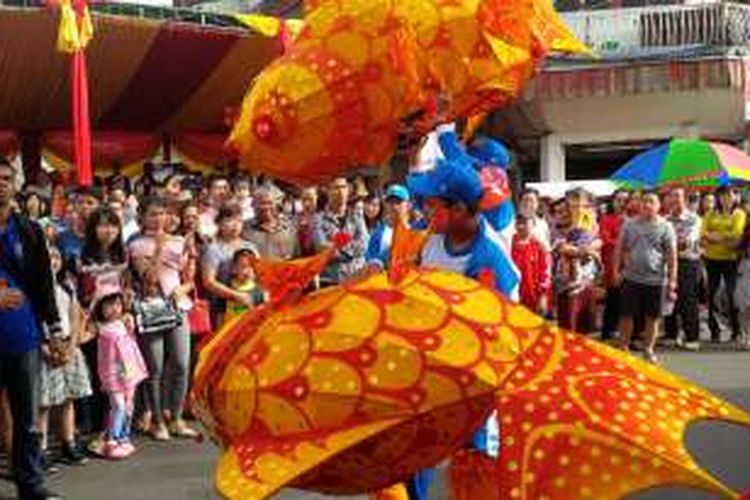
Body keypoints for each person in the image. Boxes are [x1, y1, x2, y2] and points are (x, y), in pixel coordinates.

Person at [0, 159, 63, 500]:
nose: (1, 184)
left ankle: (31, 484)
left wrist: (55, 330)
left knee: (27, 417)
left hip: (23, 336)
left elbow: (44, 284)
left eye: (7, 179)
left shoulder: (29, 229)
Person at [128, 197, 198, 441]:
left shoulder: (180, 242)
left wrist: (185, 288)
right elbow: (147, 278)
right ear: (143, 217)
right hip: (152, 311)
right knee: (155, 368)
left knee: (181, 363)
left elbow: (189, 277)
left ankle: (177, 418)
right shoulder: (136, 245)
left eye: (163, 213)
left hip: (178, 307)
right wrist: (158, 247)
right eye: (153, 214)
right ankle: (158, 421)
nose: (159, 219)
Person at [37, 247, 91, 470]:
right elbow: (34, 321)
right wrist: (45, 348)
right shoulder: (35, 289)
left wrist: (72, 345)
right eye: (48, 257)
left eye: (57, 257)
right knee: (45, 403)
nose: (53, 261)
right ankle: (41, 450)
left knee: (69, 398)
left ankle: (67, 443)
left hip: (69, 345)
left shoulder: (67, 286)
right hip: (46, 348)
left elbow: (75, 316)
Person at [614, 191, 677, 363]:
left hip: (656, 280)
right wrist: (615, 271)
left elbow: (671, 255)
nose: (647, 205)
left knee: (653, 317)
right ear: (639, 205)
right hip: (631, 278)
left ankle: (648, 349)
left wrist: (672, 280)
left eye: (651, 201)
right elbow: (619, 248)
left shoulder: (666, 226)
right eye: (644, 201)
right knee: (626, 315)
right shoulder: (629, 224)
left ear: (658, 206)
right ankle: (623, 347)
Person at [93, 288, 147, 459]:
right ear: (101, 307)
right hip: (112, 374)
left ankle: (123, 436)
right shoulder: (101, 328)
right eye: (109, 304)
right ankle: (112, 439)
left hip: (129, 372)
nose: (115, 308)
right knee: (118, 405)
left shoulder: (124, 323)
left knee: (128, 405)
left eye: (117, 304)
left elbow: (132, 343)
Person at [202, 203, 259, 328]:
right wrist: (236, 295)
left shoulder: (250, 246)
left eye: (239, 220)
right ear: (219, 223)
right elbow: (208, 282)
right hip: (222, 310)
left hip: (249, 306)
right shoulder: (213, 249)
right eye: (229, 220)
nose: (235, 224)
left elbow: (260, 274)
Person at [701, 186, 745, 343]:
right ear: (718, 198)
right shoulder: (710, 213)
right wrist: (725, 238)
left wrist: (713, 237)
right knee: (710, 295)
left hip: (731, 261)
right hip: (711, 260)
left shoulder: (739, 214)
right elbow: (702, 233)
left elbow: (737, 234)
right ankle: (715, 331)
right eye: (723, 196)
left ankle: (737, 329)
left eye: (729, 195)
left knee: (732, 295)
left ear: (734, 197)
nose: (726, 198)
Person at [664, 187, 702, 350]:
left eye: (678, 196)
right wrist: (672, 244)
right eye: (672, 196)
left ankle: (692, 337)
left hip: (688, 261)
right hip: (669, 262)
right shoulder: (665, 220)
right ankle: (671, 334)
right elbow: (662, 242)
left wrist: (671, 244)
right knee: (669, 297)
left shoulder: (694, 218)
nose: (675, 199)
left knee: (688, 299)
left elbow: (687, 241)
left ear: (685, 199)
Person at [313, 177, 369, 286]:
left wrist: (338, 247)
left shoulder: (356, 215)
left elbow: (364, 244)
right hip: (332, 280)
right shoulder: (318, 219)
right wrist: (351, 252)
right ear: (328, 191)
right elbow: (323, 249)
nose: (341, 192)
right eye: (336, 188)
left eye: (344, 187)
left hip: (357, 277)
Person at [599, 189, 629, 340]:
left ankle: (622, 331)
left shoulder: (632, 219)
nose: (622, 203)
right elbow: (605, 240)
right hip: (612, 263)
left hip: (630, 264)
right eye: (619, 200)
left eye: (625, 200)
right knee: (613, 298)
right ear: (613, 201)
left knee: (627, 300)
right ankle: (608, 331)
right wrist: (623, 244)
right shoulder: (606, 219)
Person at [365, 185, 411, 271]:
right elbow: (372, 263)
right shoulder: (378, 233)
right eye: (390, 202)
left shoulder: (416, 231)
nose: (394, 206)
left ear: (408, 206)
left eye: (398, 202)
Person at [242, 188, 298, 260]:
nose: (266, 207)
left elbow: (297, 257)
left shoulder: (290, 228)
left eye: (270, 203)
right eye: (262, 203)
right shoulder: (243, 228)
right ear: (253, 205)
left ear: (277, 205)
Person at [511, 214, 551, 315]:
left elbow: (545, 273)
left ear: (533, 225)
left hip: (533, 300)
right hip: (512, 297)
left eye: (524, 223)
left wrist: (543, 296)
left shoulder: (539, 247)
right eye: (518, 223)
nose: (521, 226)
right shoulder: (508, 244)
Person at [56, 186, 102, 273]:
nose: (84, 206)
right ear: (74, 206)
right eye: (80, 202)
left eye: (90, 203)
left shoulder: (104, 236)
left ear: (99, 207)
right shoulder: (61, 237)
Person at [224, 248, 265, 324]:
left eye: (251, 267)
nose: (248, 271)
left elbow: (262, 311)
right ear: (234, 269)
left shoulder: (258, 290)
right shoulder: (228, 288)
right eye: (244, 267)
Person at [199, 175, 232, 239]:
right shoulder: (202, 213)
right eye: (218, 188)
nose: (222, 192)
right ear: (210, 190)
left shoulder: (233, 211)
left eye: (225, 188)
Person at [296, 187, 319, 257]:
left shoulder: (324, 218)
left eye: (310, 199)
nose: (307, 204)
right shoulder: (295, 219)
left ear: (316, 198)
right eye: (304, 199)